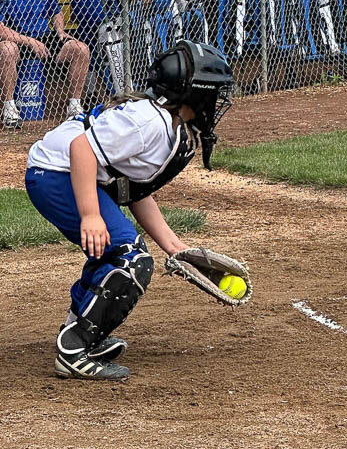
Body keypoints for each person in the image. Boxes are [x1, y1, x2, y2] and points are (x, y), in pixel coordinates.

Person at [24, 40, 234, 381]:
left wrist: (175, 247)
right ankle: (75, 350)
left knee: (116, 250)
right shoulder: (149, 123)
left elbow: (132, 191)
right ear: (193, 94)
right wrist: (91, 215)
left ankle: (83, 330)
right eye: (213, 92)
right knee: (128, 257)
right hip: (56, 174)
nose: (217, 101)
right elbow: (82, 149)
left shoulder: (165, 121)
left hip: (71, 174)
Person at [0, 0, 90, 129]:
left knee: (80, 49)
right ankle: (9, 109)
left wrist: (60, 31)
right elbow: (1, 29)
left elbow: (56, 11)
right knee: (7, 49)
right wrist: (31, 42)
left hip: (45, 37)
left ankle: (74, 106)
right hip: (18, 39)